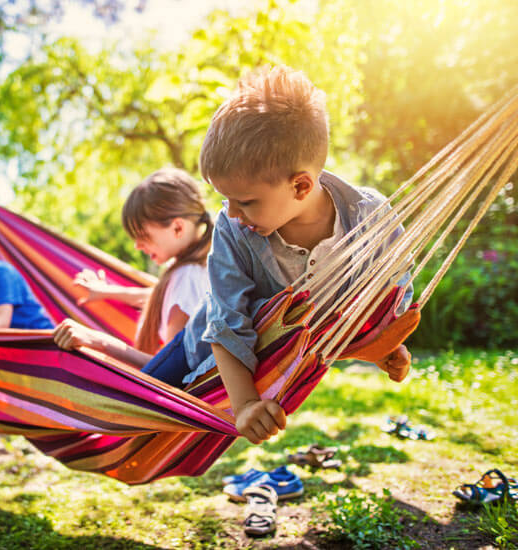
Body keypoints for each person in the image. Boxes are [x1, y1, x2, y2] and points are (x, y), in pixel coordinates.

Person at [56, 65, 412, 445]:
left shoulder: (367, 219)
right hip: (202, 344)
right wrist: (243, 405)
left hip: (277, 349)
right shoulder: (234, 227)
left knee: (146, 409)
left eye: (244, 201)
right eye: (225, 199)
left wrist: (382, 346)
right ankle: (64, 425)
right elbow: (226, 321)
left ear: (301, 186)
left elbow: (386, 295)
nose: (230, 213)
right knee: (136, 409)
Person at [65, 168, 213, 353]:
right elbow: (159, 297)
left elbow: (172, 371)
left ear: (177, 228)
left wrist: (98, 341)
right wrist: (108, 291)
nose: (137, 246)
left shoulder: (187, 276)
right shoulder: (191, 272)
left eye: (144, 236)